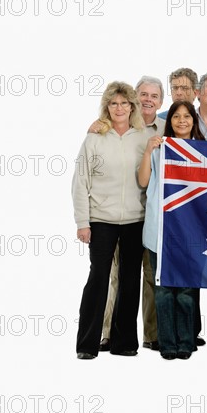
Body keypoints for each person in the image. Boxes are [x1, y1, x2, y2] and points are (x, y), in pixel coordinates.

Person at [88, 76, 165, 353]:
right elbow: (84, 177)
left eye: (154, 96)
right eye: (142, 94)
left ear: (160, 102)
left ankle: (149, 335)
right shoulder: (102, 132)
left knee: (146, 276)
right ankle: (107, 333)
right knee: (113, 276)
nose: (147, 99)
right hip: (111, 216)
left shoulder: (163, 127)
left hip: (148, 216)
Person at [72, 81, 147, 359]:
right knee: (98, 278)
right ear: (107, 106)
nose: (119, 108)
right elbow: (80, 182)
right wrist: (83, 221)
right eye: (114, 103)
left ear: (132, 106)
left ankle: (124, 342)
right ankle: (87, 345)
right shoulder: (94, 137)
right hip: (100, 219)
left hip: (135, 219)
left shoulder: (142, 136)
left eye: (124, 103)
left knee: (129, 281)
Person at [140, 101, 205, 360]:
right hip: (161, 229)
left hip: (192, 231)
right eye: (176, 116)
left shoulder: (204, 151)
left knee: (187, 289)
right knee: (164, 288)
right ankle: (167, 342)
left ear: (193, 120)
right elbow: (143, 181)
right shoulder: (160, 148)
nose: (181, 121)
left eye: (187, 116)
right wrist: (147, 152)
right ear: (170, 121)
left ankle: (186, 341)